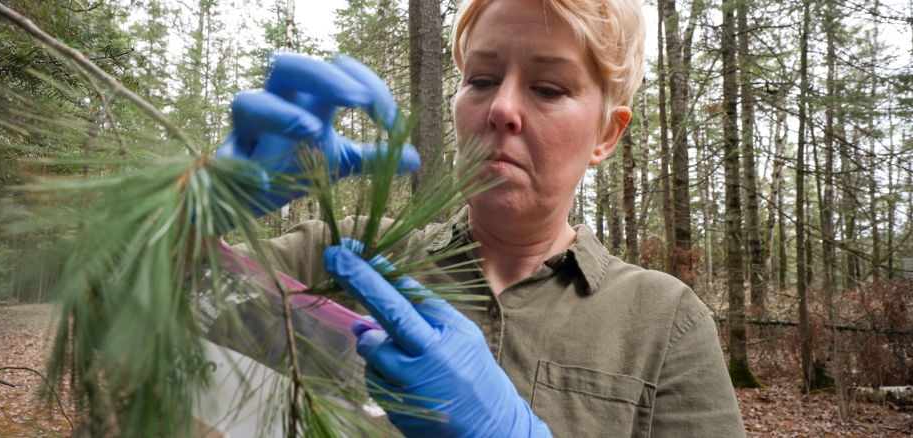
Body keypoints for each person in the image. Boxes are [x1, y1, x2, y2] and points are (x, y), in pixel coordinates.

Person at [218, 0, 747, 435]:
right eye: (482, 79)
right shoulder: (336, 254)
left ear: (607, 134)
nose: (501, 108)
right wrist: (199, 209)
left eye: (548, 88)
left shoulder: (663, 323)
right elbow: (149, 320)